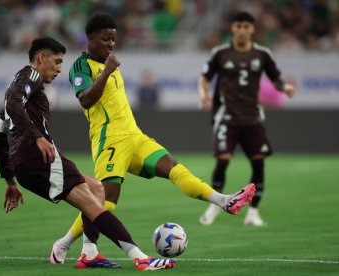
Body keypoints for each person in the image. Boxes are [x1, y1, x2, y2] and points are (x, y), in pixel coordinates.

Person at [49, 13, 256, 264]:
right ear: (90, 39)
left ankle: (224, 201)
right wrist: (107, 71)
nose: (111, 44)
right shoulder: (81, 67)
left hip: (135, 136)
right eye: (105, 39)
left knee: (173, 168)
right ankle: (66, 245)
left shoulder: (108, 63)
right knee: (105, 202)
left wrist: (109, 69)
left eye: (114, 40)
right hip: (110, 140)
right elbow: (86, 99)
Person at [0, 37, 176, 271]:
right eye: (56, 62)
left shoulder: (15, 87)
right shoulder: (31, 76)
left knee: (97, 189)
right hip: (39, 158)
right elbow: (15, 104)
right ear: (40, 58)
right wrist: (38, 137)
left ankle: (89, 253)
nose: (59, 69)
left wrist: (10, 181)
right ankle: (140, 258)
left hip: (27, 162)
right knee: (93, 206)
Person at [197, 12, 295, 227]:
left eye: (246, 26)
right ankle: (215, 205)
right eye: (238, 25)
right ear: (232, 28)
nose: (242, 30)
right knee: (223, 160)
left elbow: (275, 77)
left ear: (252, 29)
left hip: (252, 117)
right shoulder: (220, 53)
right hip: (227, 117)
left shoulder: (262, 54)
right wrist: (203, 95)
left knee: (258, 163)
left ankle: (253, 212)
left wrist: (284, 87)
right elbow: (204, 77)